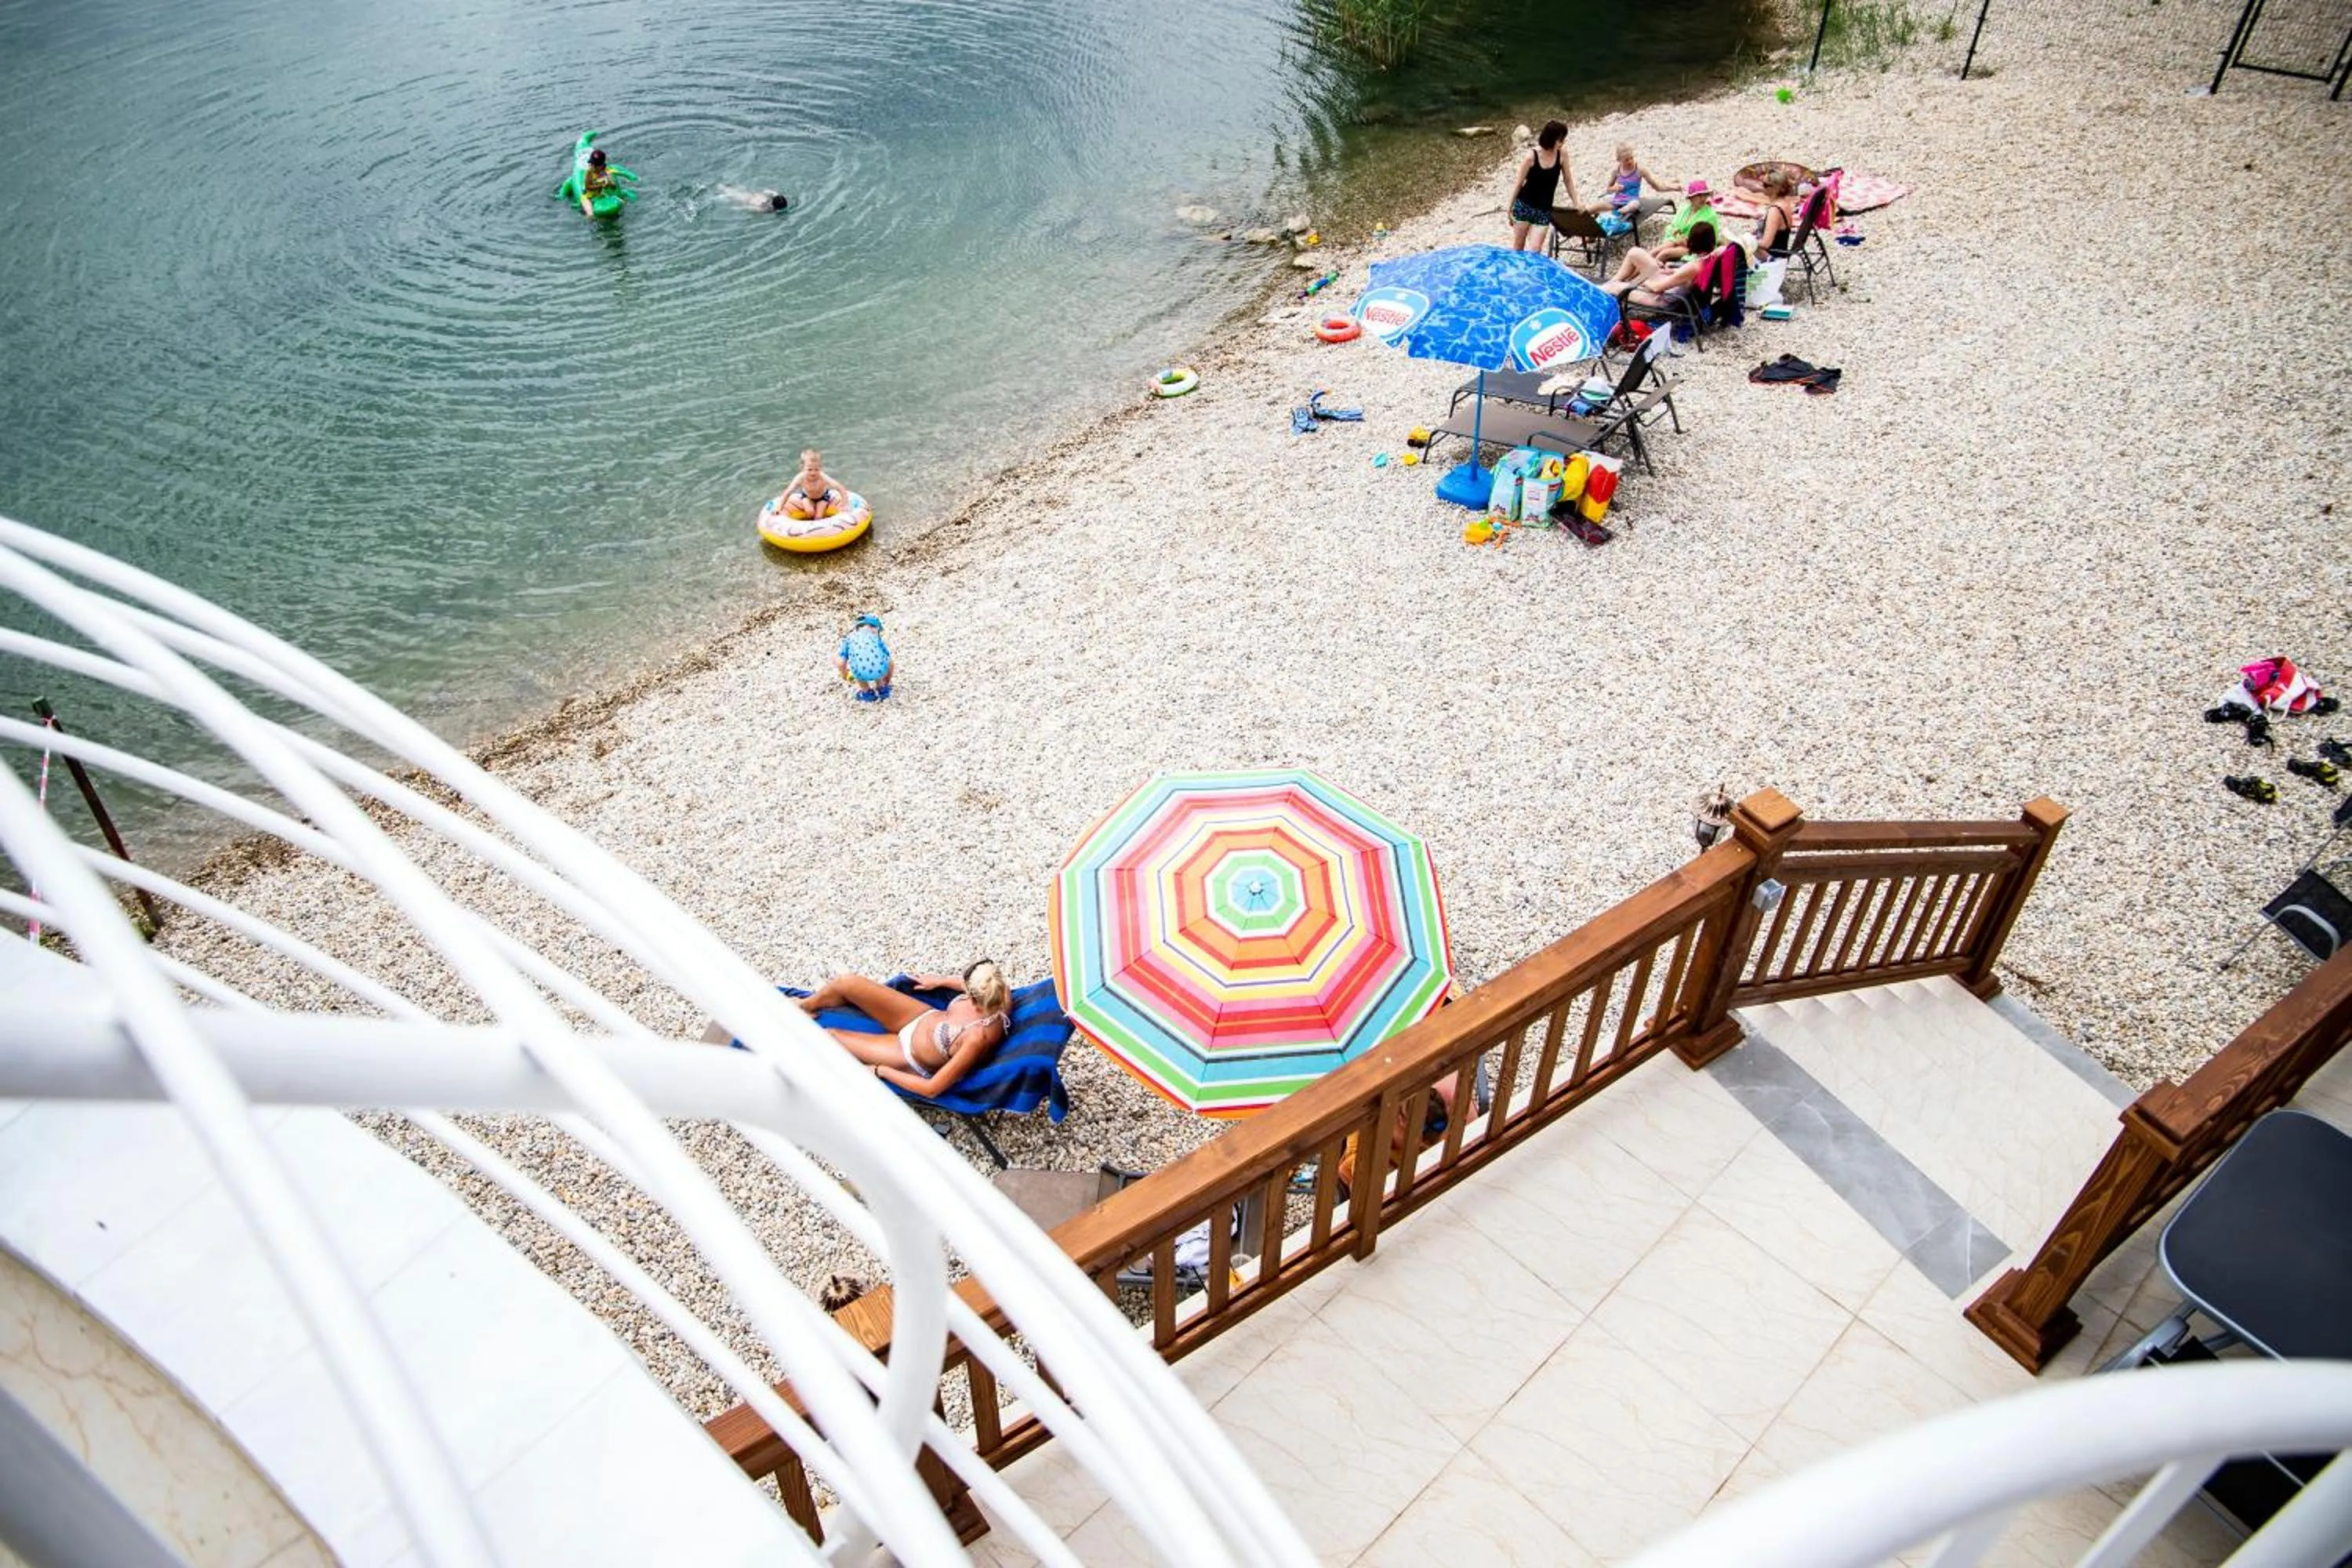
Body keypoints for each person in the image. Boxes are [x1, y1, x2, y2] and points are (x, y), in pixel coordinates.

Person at [800, 960, 1014, 1097]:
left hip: (908, 1054)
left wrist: (880, 1071)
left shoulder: (977, 1038)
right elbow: (975, 985)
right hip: (919, 1017)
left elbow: (932, 1089)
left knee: (829, 1037)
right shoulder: (1000, 991)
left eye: (966, 990)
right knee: (847, 982)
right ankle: (804, 1006)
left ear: (974, 998)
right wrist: (940, 981)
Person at [1600, 222, 1718, 306]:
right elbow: (1685, 278)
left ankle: (1602, 290)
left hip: (1659, 298)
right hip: (1669, 284)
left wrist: (1641, 280)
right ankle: (1614, 281)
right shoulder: (1709, 258)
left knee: (1613, 287)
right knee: (1635, 252)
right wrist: (1672, 271)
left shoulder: (1694, 267)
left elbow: (1657, 288)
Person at [1506, 121, 1577, 254]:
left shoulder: (1562, 154)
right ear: (1551, 139)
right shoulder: (1531, 157)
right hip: (1524, 207)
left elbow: (1568, 180)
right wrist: (1509, 208)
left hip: (1543, 210)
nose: (1563, 143)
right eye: (1560, 140)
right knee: (1518, 247)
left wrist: (1576, 202)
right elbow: (1518, 184)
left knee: (1536, 250)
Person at [1586, 143, 1682, 231]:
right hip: (1617, 200)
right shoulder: (1616, 170)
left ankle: (1621, 213)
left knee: (1635, 205)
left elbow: (1657, 186)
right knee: (1594, 207)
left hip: (1631, 200)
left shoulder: (1639, 169)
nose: (1630, 161)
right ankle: (1584, 223)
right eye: (1626, 160)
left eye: (1631, 158)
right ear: (1619, 160)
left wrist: (1674, 187)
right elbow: (1608, 188)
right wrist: (1614, 188)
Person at [1650, 177, 1723, 264]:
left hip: (1695, 248)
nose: (1703, 198)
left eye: (1705, 195)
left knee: (1664, 254)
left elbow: (1709, 241)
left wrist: (1686, 242)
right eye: (1699, 195)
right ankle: (1637, 270)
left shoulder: (1710, 215)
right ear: (1691, 198)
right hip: (1677, 240)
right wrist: (1677, 237)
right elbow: (1672, 226)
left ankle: (1649, 271)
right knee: (1654, 252)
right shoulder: (1684, 209)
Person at [835, 613, 892, 702]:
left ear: (857, 629)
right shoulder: (876, 639)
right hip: (880, 670)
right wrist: (888, 677)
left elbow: (841, 662)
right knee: (877, 657)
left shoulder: (849, 639)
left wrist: (845, 674)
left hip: (861, 673)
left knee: (858, 662)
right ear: (877, 630)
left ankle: (866, 693)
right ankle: (882, 689)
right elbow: (890, 661)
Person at [782, 448, 845, 519]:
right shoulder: (800, 478)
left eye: (817, 469)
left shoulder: (822, 477)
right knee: (810, 513)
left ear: (820, 468)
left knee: (819, 516)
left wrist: (844, 504)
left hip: (822, 497)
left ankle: (820, 526)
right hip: (807, 497)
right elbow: (788, 492)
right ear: (802, 468)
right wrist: (779, 508)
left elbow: (839, 487)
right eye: (809, 469)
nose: (813, 473)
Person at [579, 147, 617, 218]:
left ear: (602, 165)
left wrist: (609, 183)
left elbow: (614, 187)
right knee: (590, 215)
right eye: (592, 164)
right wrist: (601, 186)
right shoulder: (589, 172)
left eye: (596, 165)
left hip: (600, 195)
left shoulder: (606, 171)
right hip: (587, 197)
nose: (593, 166)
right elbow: (588, 187)